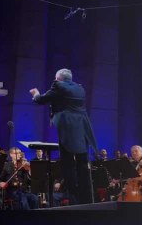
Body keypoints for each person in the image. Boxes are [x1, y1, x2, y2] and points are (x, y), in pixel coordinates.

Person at [30, 68, 98, 205]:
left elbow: (41, 100)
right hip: (83, 127)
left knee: (68, 164)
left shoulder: (58, 85)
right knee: (83, 164)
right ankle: (87, 200)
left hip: (68, 127)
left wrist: (35, 94)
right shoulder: (80, 88)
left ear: (58, 78)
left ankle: (74, 199)